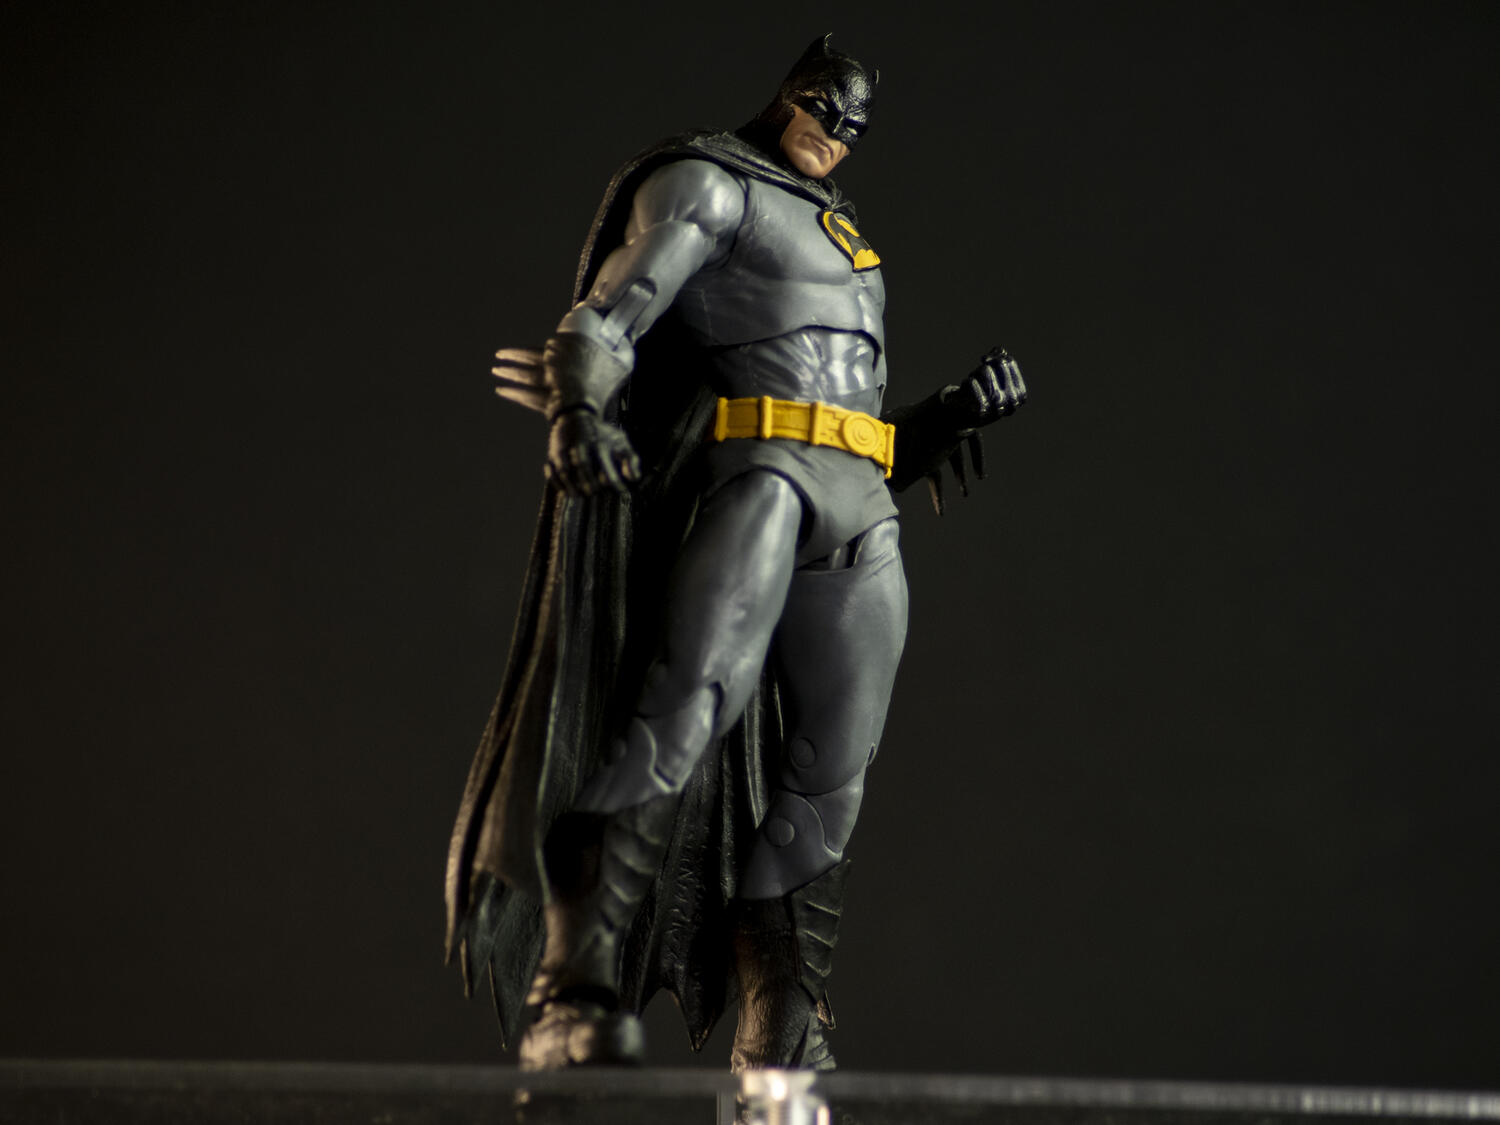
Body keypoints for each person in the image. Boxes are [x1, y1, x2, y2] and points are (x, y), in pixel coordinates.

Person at [444, 34, 1027, 1073]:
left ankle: (784, 1037)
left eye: (854, 128)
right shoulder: (710, 184)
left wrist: (948, 416)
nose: (835, 137)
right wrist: (579, 409)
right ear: (788, 95)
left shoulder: (839, 225)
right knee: (683, 711)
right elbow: (608, 318)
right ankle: (573, 987)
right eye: (824, 112)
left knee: (829, 776)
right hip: (762, 480)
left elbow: (851, 422)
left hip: (858, 508)